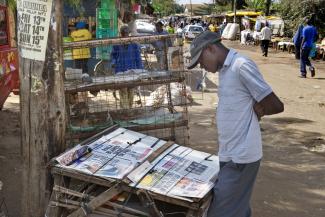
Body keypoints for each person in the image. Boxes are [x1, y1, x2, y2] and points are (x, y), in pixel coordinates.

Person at [187, 31, 284, 217]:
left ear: (210, 48)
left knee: (220, 212)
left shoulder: (240, 65)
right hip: (229, 152)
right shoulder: (225, 69)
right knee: (237, 208)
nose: (202, 66)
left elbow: (275, 104)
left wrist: (260, 109)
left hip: (241, 156)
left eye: (201, 60)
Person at [111, 26, 143, 108]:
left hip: (132, 71)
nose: (125, 36)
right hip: (120, 70)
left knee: (131, 90)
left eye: (126, 34)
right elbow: (113, 55)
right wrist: (113, 62)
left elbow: (138, 58)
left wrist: (141, 71)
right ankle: (125, 110)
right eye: (123, 34)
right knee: (123, 90)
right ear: (120, 34)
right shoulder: (117, 44)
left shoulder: (134, 45)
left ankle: (130, 108)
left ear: (129, 34)